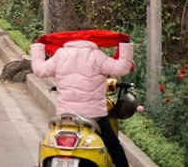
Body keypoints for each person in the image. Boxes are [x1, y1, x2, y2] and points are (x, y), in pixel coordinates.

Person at [31, 39, 133, 167]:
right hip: (94, 116)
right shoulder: (97, 56)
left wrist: (38, 46)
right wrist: (125, 44)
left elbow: (39, 70)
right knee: (113, 145)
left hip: (66, 116)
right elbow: (122, 69)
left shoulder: (60, 55)